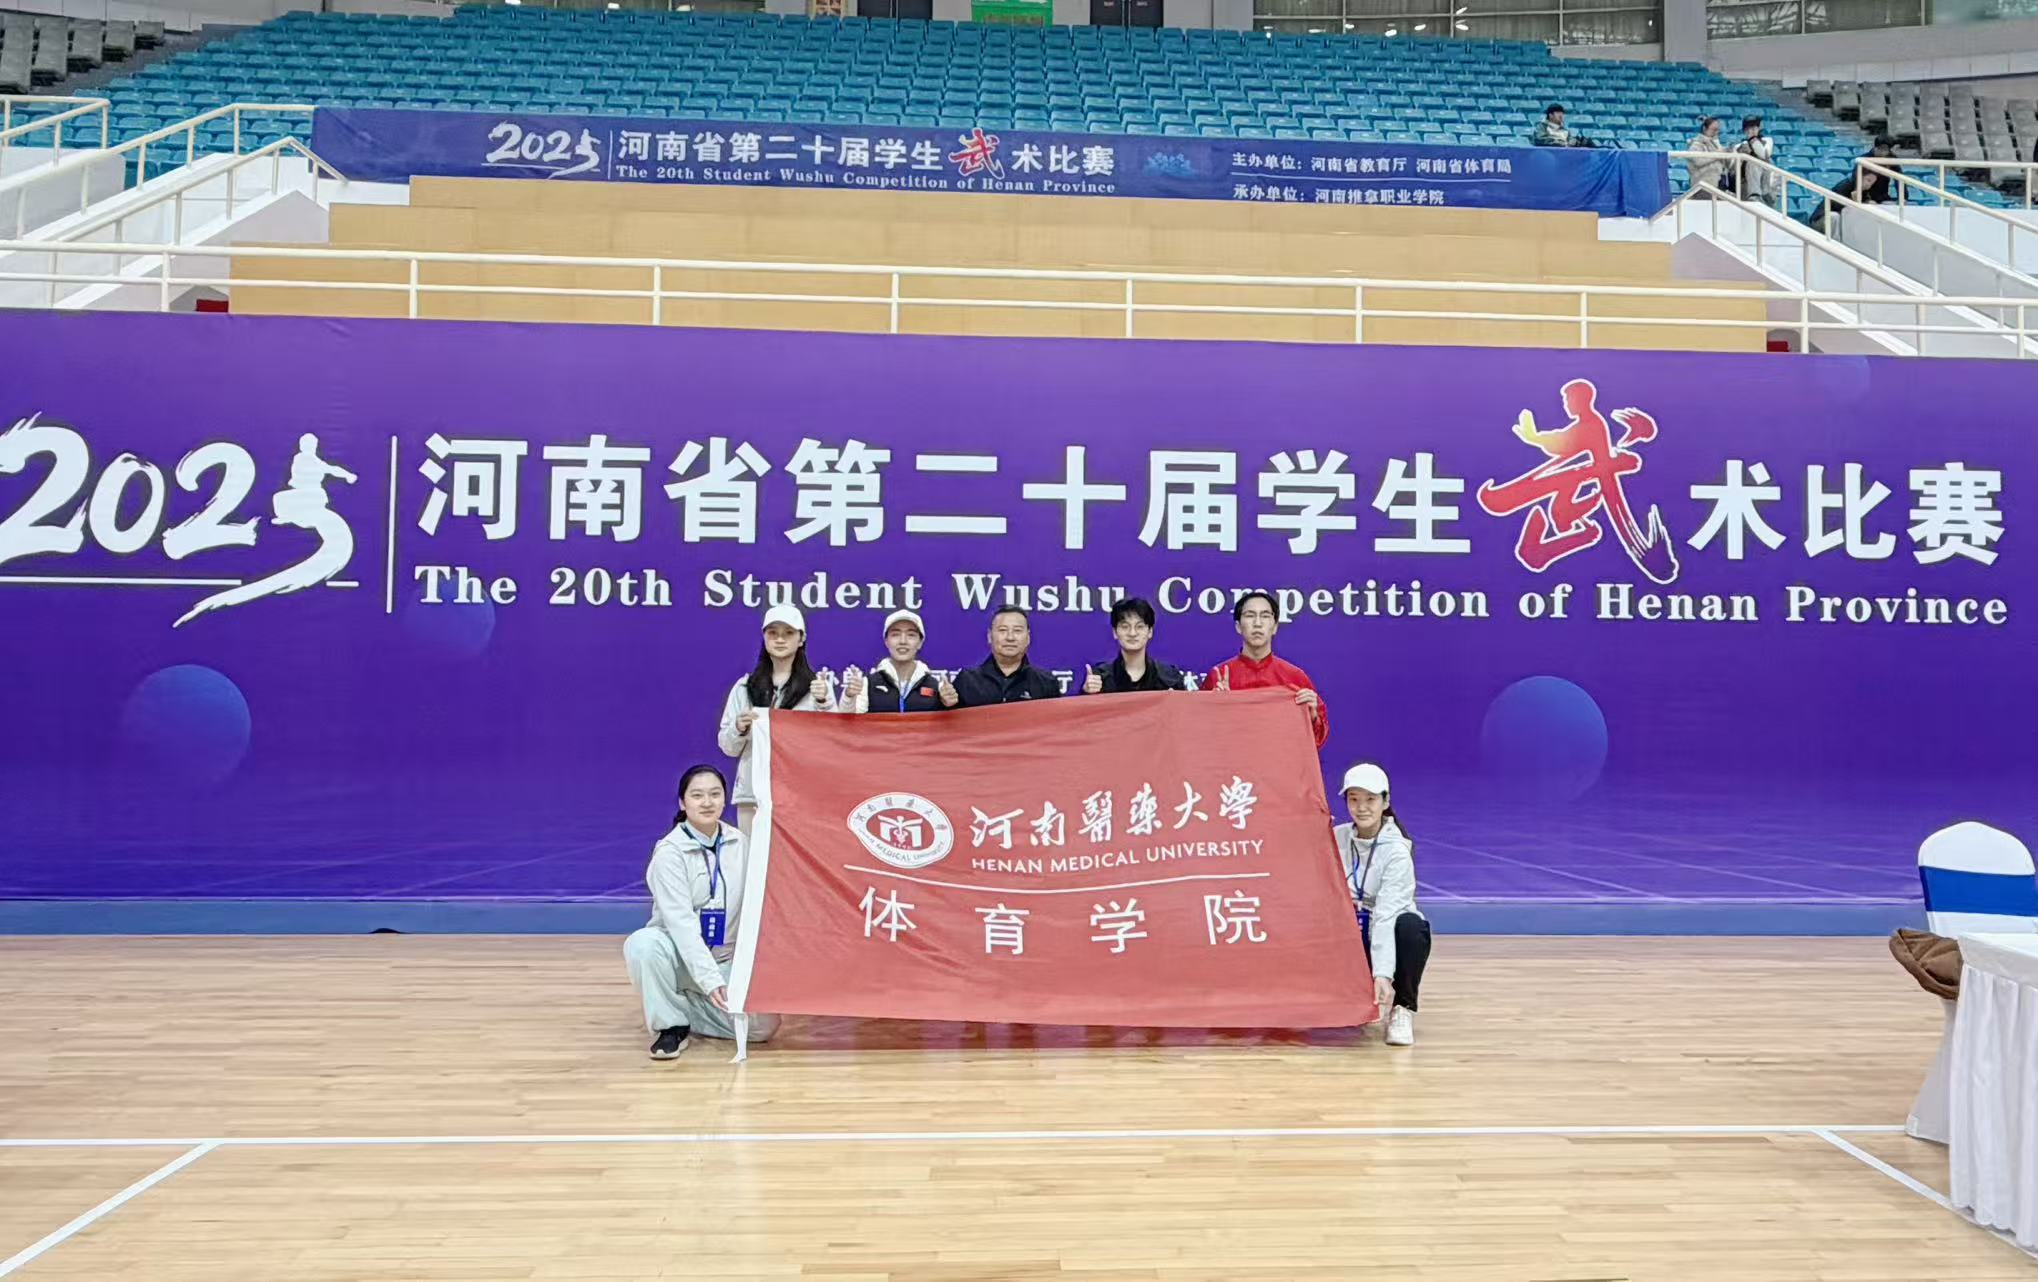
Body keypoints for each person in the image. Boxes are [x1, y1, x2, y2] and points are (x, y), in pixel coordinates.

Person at [623, 764, 782, 1059]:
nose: (707, 802)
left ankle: (681, 1004)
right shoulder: (669, 854)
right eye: (697, 796)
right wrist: (710, 981)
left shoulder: (741, 844)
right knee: (643, 944)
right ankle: (671, 1026)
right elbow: (681, 925)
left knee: (763, 1026)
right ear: (683, 803)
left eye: (714, 794)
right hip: (680, 959)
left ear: (725, 799)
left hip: (725, 958)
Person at [1330, 762, 1431, 1048]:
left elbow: (1386, 916)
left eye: (1370, 799)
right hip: (1351, 932)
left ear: (1385, 802)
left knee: (1412, 927)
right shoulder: (1336, 838)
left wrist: (1382, 974)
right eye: (1354, 799)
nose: (1361, 808)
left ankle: (1402, 1009)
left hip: (1384, 932)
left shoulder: (1397, 852)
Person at [717, 603, 837, 836]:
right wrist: (739, 728)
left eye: (788, 633)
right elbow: (728, 747)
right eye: (773, 633)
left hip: (800, 794)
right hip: (753, 795)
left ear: (801, 639)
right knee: (753, 856)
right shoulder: (745, 687)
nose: (780, 639)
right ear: (764, 637)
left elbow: (833, 741)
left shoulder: (817, 688)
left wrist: (825, 703)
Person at [1205, 590, 1327, 748]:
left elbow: (1317, 740)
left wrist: (1312, 717)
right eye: (1250, 615)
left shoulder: (1295, 677)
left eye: (1265, 616)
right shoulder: (1218, 676)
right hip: (1231, 759)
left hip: (1280, 759)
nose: (1257, 623)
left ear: (1274, 626)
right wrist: (1216, 708)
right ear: (1238, 626)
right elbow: (1200, 735)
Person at [844, 608, 956, 713]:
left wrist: (949, 706)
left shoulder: (937, 687)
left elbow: (948, 725)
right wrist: (849, 697)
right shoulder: (868, 684)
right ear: (886, 641)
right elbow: (849, 723)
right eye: (895, 634)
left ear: (920, 643)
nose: (903, 641)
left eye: (911, 635)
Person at [951, 605, 1062, 706]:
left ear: (1028, 638)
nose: (1010, 637)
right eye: (1002, 630)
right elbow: (950, 719)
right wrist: (945, 704)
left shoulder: (1046, 683)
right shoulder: (967, 681)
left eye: (1017, 631)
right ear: (990, 636)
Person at [1080, 597, 1191, 694]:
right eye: (1125, 627)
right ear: (1115, 632)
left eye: (1139, 627)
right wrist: (1087, 693)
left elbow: (1183, 710)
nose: (1132, 633)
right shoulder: (1100, 678)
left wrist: (1174, 700)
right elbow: (1086, 711)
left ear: (1150, 632)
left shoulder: (1170, 678)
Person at [1733, 115, 1780, 208]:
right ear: (1744, 131)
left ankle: (1765, 193)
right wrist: (1743, 155)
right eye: (1749, 128)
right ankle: (1754, 195)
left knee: (1761, 160)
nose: (1752, 130)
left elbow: (1764, 155)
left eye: (1755, 127)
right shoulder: (1738, 147)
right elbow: (1735, 169)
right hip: (1746, 186)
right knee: (1752, 163)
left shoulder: (1767, 141)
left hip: (1766, 182)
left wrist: (1753, 140)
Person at [1683, 116, 1730, 195]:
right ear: (1705, 129)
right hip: (1702, 187)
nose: (1716, 133)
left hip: (1717, 186)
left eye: (1718, 130)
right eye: (1714, 130)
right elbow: (1698, 161)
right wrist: (1717, 154)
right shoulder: (1695, 145)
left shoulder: (1716, 145)